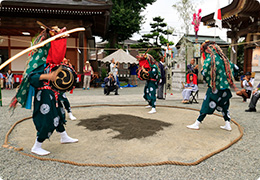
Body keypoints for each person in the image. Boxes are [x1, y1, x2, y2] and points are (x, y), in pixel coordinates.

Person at [187, 41, 236, 131]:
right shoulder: (224, 59)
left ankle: (197, 123)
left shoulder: (210, 59)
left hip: (215, 88)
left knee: (206, 105)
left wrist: (203, 70)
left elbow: (205, 72)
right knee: (225, 106)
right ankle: (227, 124)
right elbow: (234, 68)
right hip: (225, 88)